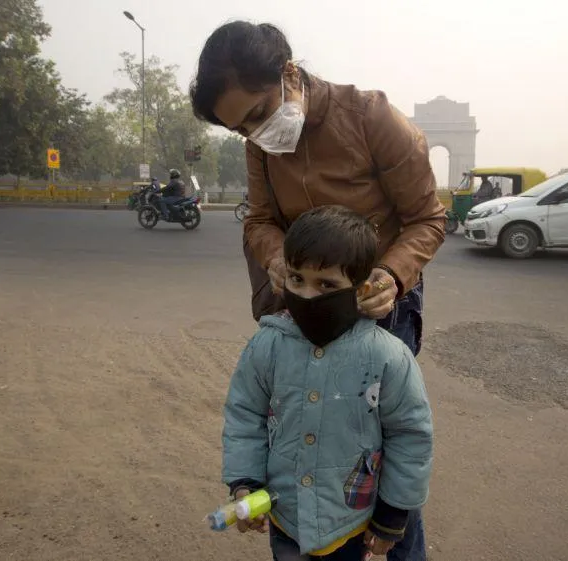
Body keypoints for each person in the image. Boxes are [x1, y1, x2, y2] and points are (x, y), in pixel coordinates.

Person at [190, 23, 444, 560]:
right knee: (307, 427)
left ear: (287, 74)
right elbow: (259, 220)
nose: (256, 133)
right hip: (304, 303)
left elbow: (427, 218)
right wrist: (278, 257)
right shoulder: (261, 146)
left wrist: (393, 276)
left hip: (377, 300)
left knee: (377, 440)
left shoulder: (371, 116)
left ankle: (398, 541)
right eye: (240, 130)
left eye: (258, 113)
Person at [222, 206, 433, 560]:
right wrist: (245, 482)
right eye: (297, 279)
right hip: (286, 516)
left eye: (327, 285)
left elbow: (410, 436)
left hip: (349, 522)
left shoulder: (388, 357)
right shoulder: (266, 346)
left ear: (361, 288)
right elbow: (245, 415)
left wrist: (393, 515)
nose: (307, 295)